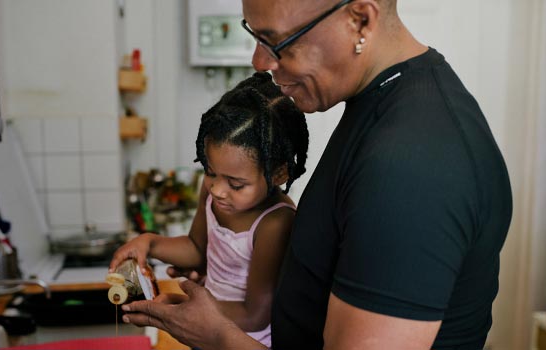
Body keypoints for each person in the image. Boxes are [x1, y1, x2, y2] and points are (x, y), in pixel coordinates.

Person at [119, 0, 513, 349]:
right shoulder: (383, 104)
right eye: (254, 35)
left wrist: (217, 334)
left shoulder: (411, 166)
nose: (260, 62)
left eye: (277, 41)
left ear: (359, 19)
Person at [109, 72, 307, 347]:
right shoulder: (214, 191)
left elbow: (255, 315)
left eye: (236, 184)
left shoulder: (275, 223)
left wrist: (183, 307)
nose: (217, 189)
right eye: (210, 172)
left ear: (279, 174)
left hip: (241, 339)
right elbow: (196, 248)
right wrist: (149, 243)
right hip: (203, 331)